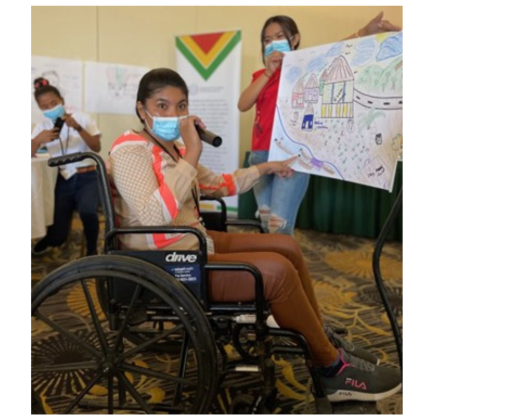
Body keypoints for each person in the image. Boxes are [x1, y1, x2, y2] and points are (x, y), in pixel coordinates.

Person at [108, 68, 401, 402]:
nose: (173, 114)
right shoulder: (130, 149)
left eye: (180, 105)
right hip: (167, 263)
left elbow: (218, 184)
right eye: (162, 106)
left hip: (193, 243)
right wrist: (191, 152)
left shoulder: (171, 148)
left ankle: (321, 339)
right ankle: (331, 369)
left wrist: (267, 168)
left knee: (286, 245)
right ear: (140, 109)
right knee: (275, 271)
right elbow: (151, 216)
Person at [238, 12, 402, 235]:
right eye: (267, 40)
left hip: (290, 159)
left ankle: (282, 267)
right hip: (260, 156)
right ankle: (273, 267)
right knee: (266, 221)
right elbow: (243, 104)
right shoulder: (261, 75)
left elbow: (332, 53)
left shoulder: (305, 67)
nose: (272, 43)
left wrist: (364, 33)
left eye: (278, 36)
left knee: (279, 225)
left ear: (294, 39)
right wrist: (268, 72)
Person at [31, 78, 103, 257]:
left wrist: (78, 128)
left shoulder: (82, 118)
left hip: (87, 177)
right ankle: (52, 240)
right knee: (58, 232)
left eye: (53, 103)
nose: (50, 108)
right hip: (62, 178)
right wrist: (38, 140)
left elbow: (96, 147)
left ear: (62, 101)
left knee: (88, 212)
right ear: (40, 109)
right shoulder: (42, 126)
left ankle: (92, 252)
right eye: (45, 106)